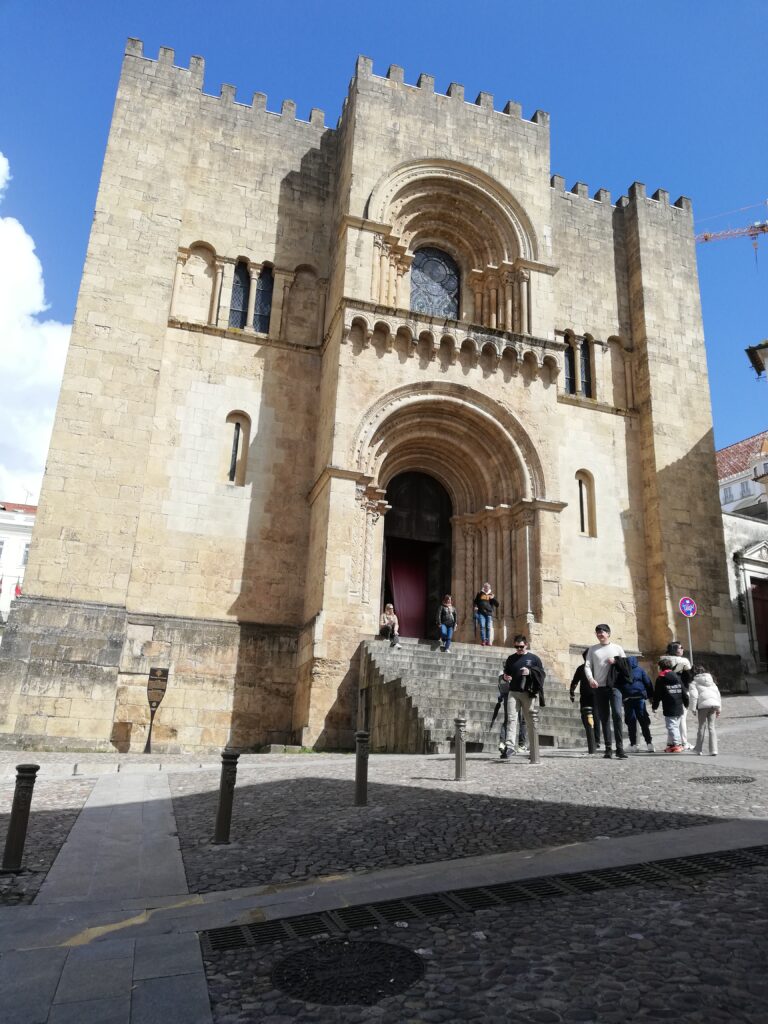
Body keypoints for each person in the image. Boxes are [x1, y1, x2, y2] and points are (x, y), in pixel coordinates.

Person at [585, 623, 628, 760]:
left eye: (602, 632)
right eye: (597, 632)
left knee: (617, 714)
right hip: (599, 687)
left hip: (614, 686)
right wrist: (591, 679)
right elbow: (587, 666)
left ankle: (620, 748)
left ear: (608, 634)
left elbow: (626, 665)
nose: (600, 634)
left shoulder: (617, 648)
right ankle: (608, 748)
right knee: (604, 718)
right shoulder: (593, 649)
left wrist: (616, 661)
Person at [499, 635, 545, 759]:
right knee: (511, 719)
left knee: (529, 721)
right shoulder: (511, 658)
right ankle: (510, 747)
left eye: (521, 647)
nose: (519, 649)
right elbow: (506, 673)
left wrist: (530, 672)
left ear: (526, 645)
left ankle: (533, 748)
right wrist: (505, 677)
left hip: (528, 693)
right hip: (513, 692)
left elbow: (542, 674)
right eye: (516, 647)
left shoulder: (534, 659)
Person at [652, 656, 689, 752]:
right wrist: (686, 703)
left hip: (669, 706)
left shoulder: (661, 678)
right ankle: (671, 744)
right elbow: (684, 691)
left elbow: (657, 694)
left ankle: (677, 744)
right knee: (674, 726)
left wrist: (654, 706)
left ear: (660, 667)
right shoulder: (677, 677)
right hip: (679, 706)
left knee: (672, 726)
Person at [570, 649, 601, 753]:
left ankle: (596, 740)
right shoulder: (580, 668)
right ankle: (590, 736)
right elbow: (575, 681)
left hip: (596, 696)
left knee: (596, 717)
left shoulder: (597, 668)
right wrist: (571, 692)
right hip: (584, 696)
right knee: (584, 717)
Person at [666, 641, 694, 749]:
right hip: (682, 690)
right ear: (675, 650)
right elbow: (690, 676)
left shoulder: (663, 660)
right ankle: (684, 742)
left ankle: (671, 742)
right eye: (680, 647)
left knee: (671, 718)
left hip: (669, 691)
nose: (682, 649)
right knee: (682, 718)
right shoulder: (684, 661)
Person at [624, 656, 655, 753]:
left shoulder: (623, 670)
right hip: (639, 698)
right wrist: (651, 696)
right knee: (643, 721)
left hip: (628, 699)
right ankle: (649, 744)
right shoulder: (640, 670)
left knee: (631, 722)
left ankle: (633, 745)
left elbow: (620, 684)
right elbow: (648, 683)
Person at [690, 664, 722, 756]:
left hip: (703, 706)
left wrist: (693, 708)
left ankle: (698, 749)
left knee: (701, 727)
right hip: (713, 705)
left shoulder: (694, 683)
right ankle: (713, 750)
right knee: (712, 727)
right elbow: (718, 695)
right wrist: (719, 708)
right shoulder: (712, 682)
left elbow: (694, 696)